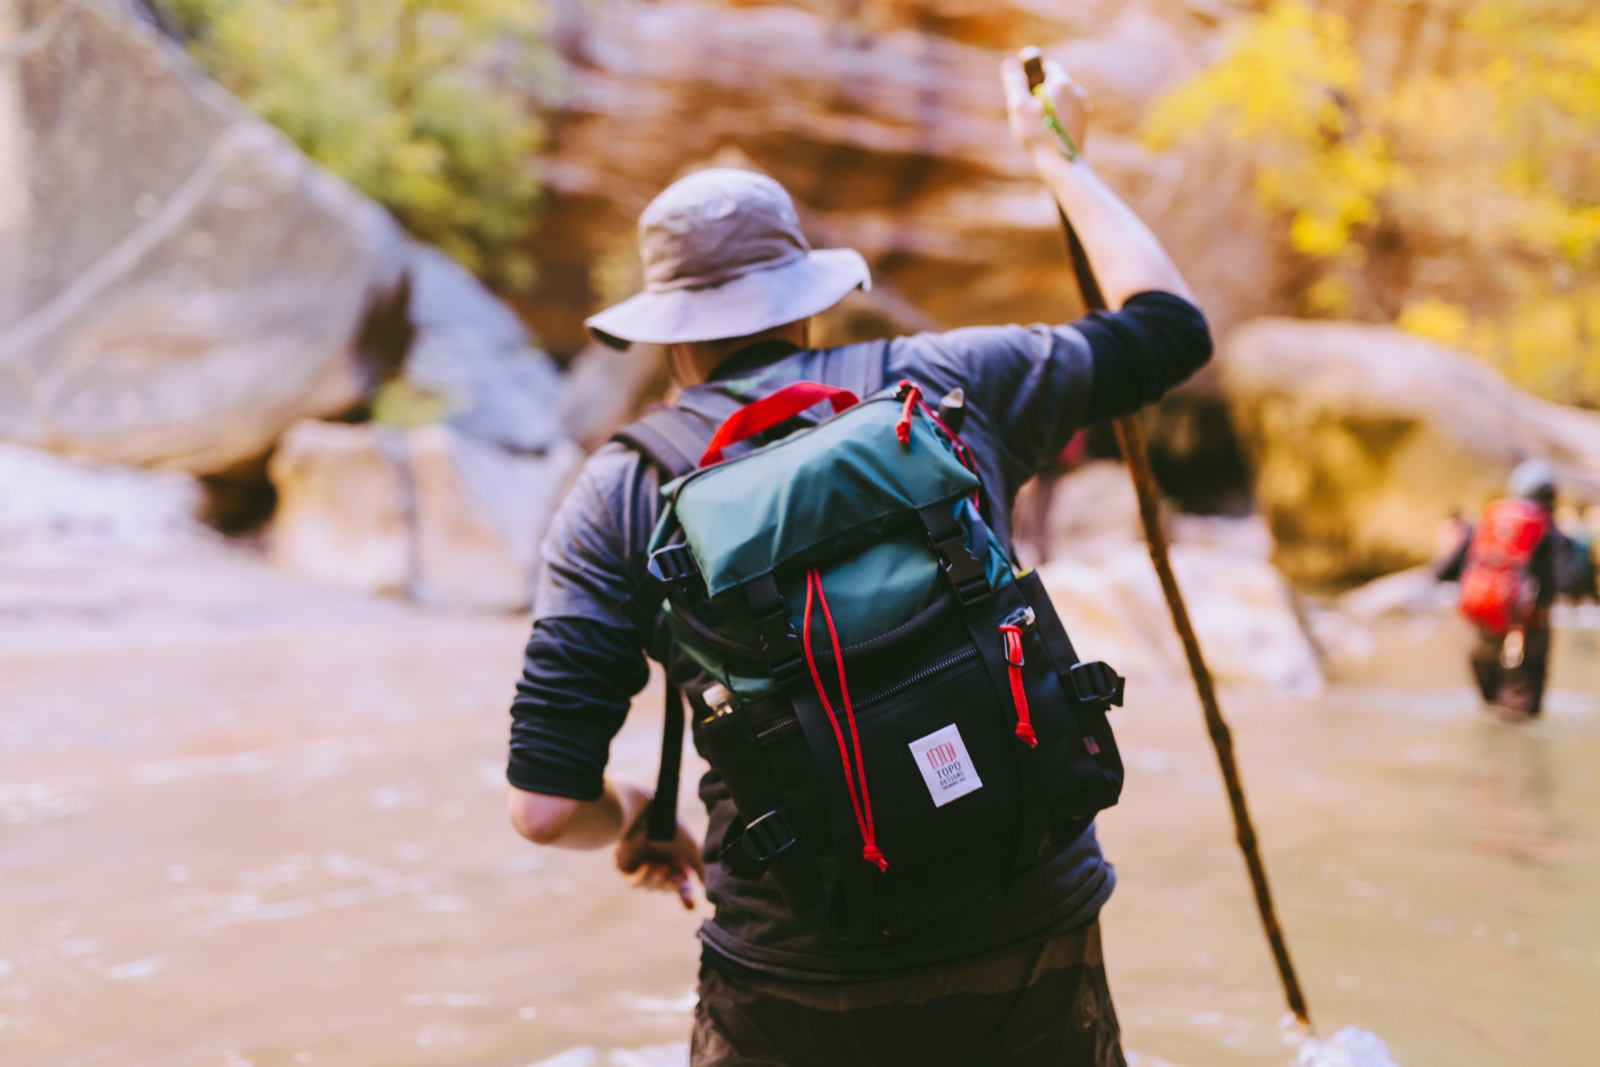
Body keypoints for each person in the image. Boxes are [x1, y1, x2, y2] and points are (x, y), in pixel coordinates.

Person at [505, 56, 1211, 1066]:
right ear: (804, 300)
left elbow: (541, 806)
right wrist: (1056, 161)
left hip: (795, 973)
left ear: (668, 329)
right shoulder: (946, 385)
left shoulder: (618, 493)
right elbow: (1165, 331)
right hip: (1029, 928)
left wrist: (636, 816)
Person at [1437, 458, 1596, 719]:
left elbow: (1443, 571)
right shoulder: (1548, 529)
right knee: (1525, 712)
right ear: (1550, 496)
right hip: (1528, 628)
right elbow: (1568, 582)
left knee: (1491, 707)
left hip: (1480, 624)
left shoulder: (1488, 520)